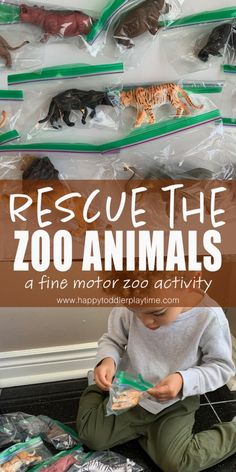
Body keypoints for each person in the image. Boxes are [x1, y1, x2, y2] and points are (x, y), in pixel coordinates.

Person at [76, 287, 236, 472]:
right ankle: (99, 388)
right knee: (92, 437)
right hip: (130, 388)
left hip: (176, 401)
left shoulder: (209, 317)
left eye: (158, 312)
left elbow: (221, 367)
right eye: (134, 311)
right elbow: (113, 340)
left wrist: (183, 380)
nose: (145, 322)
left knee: (177, 464)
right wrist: (107, 361)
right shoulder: (134, 297)